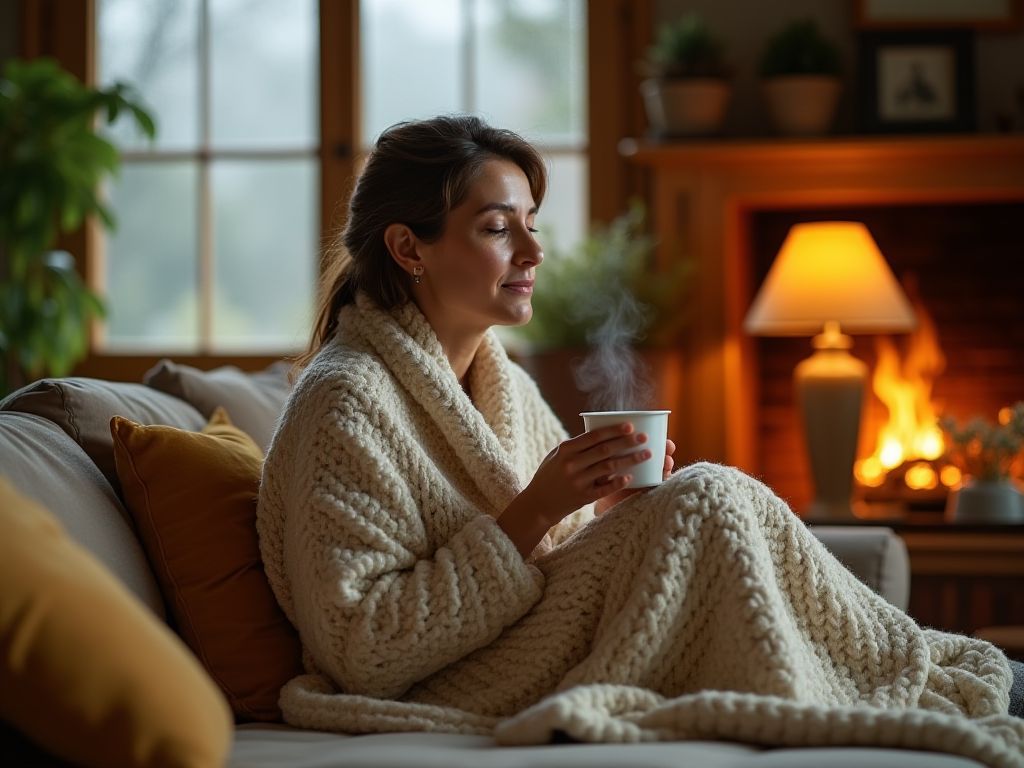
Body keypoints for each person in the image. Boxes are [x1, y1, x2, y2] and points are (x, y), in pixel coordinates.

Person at [255, 115, 1022, 760]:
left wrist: (607, 504)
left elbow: (566, 550)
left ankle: (903, 663)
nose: (532, 252)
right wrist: (536, 510)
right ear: (408, 248)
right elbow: (364, 650)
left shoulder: (502, 380)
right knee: (706, 496)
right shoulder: (345, 403)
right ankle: (905, 674)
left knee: (705, 496)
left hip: (532, 637)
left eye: (531, 224)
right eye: (497, 228)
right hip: (463, 675)